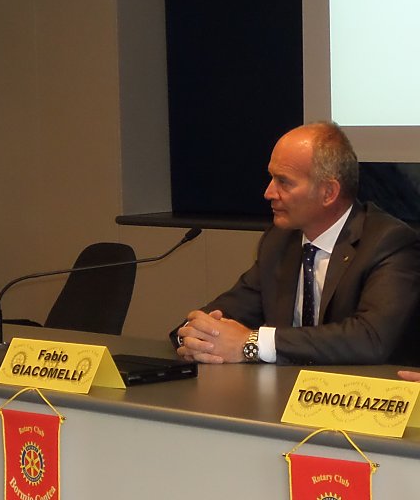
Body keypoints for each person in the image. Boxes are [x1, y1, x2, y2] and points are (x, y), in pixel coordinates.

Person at [174, 122, 420, 365]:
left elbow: (370, 339)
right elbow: (229, 309)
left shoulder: (388, 242)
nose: (269, 193)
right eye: (271, 178)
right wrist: (194, 335)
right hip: (288, 386)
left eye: (284, 182)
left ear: (328, 193)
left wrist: (253, 342)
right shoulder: (280, 241)